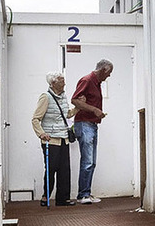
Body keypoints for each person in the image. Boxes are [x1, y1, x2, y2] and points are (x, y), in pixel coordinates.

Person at [31, 71, 79, 207]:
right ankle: (46, 196)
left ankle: (62, 199)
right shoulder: (45, 97)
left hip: (64, 138)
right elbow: (35, 119)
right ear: (53, 83)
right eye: (61, 80)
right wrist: (41, 134)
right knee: (51, 168)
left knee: (64, 169)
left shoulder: (63, 97)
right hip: (50, 140)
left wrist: (77, 108)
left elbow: (67, 115)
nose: (64, 83)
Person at [70, 59, 113, 204]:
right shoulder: (87, 80)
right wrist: (94, 109)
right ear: (102, 70)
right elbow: (75, 100)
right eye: (108, 73)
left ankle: (86, 193)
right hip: (84, 124)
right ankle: (83, 195)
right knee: (88, 161)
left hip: (92, 124)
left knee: (92, 161)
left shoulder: (96, 83)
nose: (109, 76)